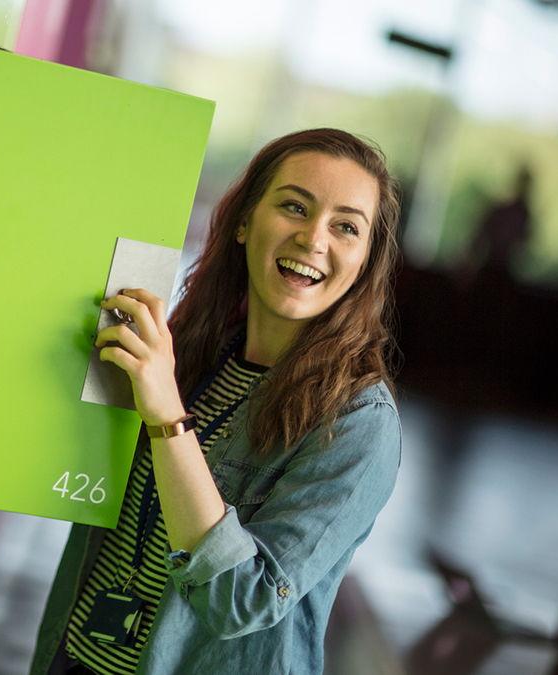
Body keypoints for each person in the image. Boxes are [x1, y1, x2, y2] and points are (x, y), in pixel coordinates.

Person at [30, 128, 403, 674]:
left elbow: (244, 600)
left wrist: (167, 419)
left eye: (346, 226)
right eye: (295, 207)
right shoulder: (189, 351)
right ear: (245, 222)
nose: (313, 239)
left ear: (366, 260)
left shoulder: (359, 423)